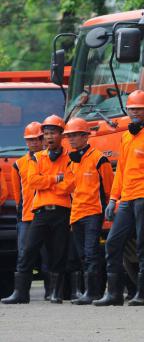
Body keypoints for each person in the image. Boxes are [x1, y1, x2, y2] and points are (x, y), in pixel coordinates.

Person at [94, 90, 144, 306]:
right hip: (126, 199)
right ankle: (114, 293)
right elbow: (122, 171)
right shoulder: (126, 136)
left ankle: (143, 294)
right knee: (113, 244)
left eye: (138, 109)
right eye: (131, 109)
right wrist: (113, 199)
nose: (134, 113)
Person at [2, 115, 71, 304]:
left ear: (60, 135)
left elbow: (70, 184)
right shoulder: (30, 161)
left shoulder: (69, 158)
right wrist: (56, 179)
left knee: (55, 253)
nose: (47, 138)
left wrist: (47, 182)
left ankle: (55, 292)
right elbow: (31, 183)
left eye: (51, 133)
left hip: (61, 211)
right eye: (46, 134)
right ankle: (21, 293)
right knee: (27, 251)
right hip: (35, 212)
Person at [59, 118, 113, 305]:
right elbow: (67, 187)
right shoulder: (72, 162)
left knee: (91, 253)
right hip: (77, 213)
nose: (71, 139)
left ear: (85, 136)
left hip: (93, 212)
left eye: (75, 135)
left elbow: (109, 188)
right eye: (69, 136)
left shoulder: (99, 159)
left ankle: (94, 292)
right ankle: (91, 291)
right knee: (83, 254)